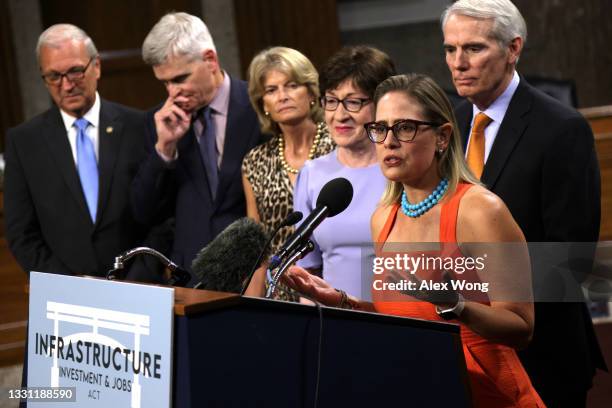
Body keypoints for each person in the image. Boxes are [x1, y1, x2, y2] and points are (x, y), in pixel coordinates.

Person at [284, 73, 545, 407]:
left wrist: (457, 305)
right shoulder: (384, 217)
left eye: (404, 128)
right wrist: (339, 300)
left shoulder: (480, 210)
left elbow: (522, 327)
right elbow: (401, 318)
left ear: (442, 136)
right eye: (380, 129)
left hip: (487, 394)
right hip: (422, 388)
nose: (389, 141)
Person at [441, 1, 606, 406]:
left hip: (540, 353)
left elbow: (571, 259)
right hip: (462, 352)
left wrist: (473, 299)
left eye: (474, 48)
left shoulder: (562, 128)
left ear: (513, 49)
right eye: (450, 49)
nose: (458, 63)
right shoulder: (448, 125)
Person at [4, 24, 148, 277]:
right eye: (54, 76)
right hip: (65, 294)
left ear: (97, 66)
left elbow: (161, 216)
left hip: (139, 286)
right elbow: (21, 233)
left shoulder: (139, 126)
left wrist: (139, 277)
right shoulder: (23, 142)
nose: (67, 85)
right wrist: (70, 287)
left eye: (75, 71)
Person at [132, 12, 265, 280]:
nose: (172, 92)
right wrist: (164, 149)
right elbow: (144, 213)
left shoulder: (258, 106)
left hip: (252, 273)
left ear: (210, 60)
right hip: (190, 277)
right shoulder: (157, 122)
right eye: (165, 82)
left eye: (180, 78)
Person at [292, 46, 396, 298]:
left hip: (398, 321)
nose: (340, 115)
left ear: (381, 103)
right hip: (333, 325)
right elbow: (308, 274)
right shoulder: (311, 174)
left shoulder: (402, 171)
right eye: (331, 100)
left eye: (353, 102)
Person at [241, 47, 335, 300]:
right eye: (271, 90)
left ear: (311, 92)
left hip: (335, 286)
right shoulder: (255, 161)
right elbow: (257, 248)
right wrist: (252, 307)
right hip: (280, 294)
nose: (282, 96)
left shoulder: (339, 145)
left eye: (291, 85)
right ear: (264, 104)